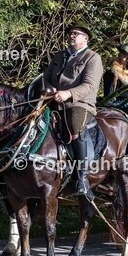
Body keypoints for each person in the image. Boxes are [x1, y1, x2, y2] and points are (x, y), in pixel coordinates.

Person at [44, 25, 104, 197]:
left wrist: (68, 93)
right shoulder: (60, 55)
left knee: (74, 127)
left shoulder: (93, 57)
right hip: (53, 100)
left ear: (85, 39)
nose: (71, 36)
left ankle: (81, 177)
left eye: (76, 34)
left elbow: (90, 85)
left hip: (80, 104)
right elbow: (46, 77)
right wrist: (49, 90)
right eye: (70, 33)